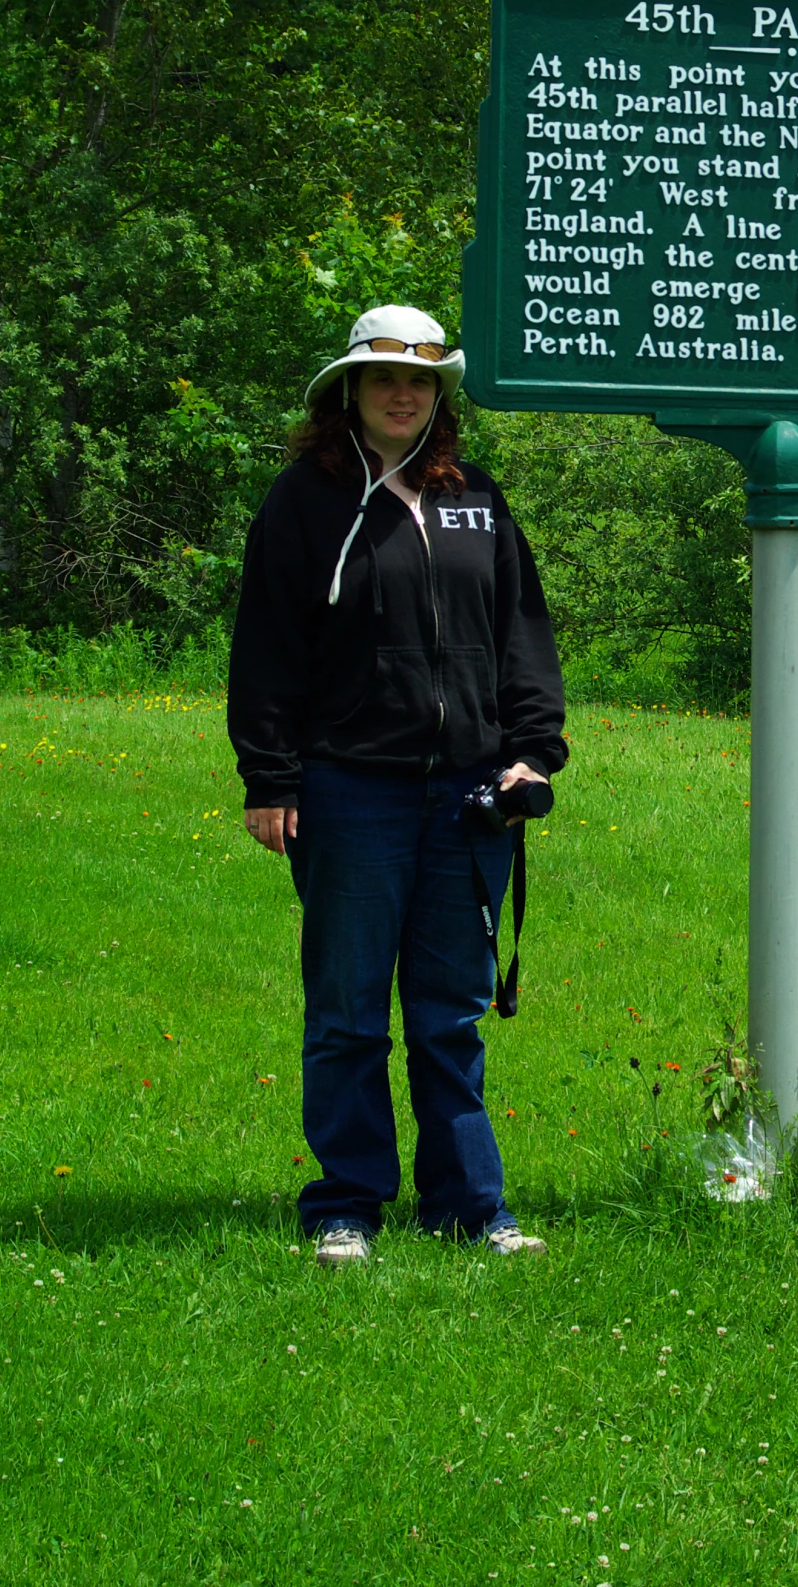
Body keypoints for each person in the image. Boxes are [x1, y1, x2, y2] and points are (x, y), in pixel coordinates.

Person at [227, 304, 567, 1267]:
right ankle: (345, 1205)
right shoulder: (302, 502)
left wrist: (532, 754)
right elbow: (266, 652)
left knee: (448, 1014)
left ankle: (470, 1209)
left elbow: (521, 639)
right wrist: (271, 773)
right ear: (348, 391)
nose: (402, 393)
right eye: (383, 378)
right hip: (347, 793)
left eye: (419, 380)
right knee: (345, 1010)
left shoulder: (480, 502)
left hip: (469, 795)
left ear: (439, 397)